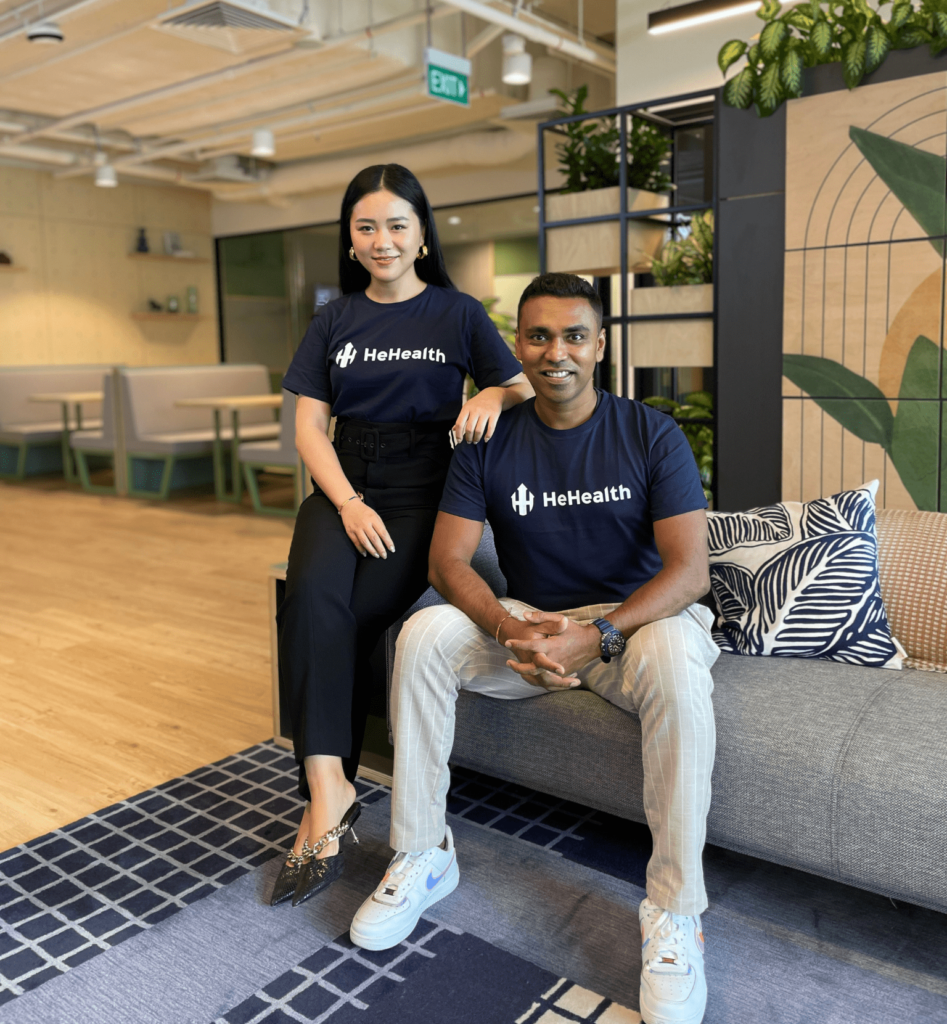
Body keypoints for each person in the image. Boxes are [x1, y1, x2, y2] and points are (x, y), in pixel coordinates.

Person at [350, 272, 720, 1024]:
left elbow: (689, 572)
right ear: (517, 345)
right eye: (538, 336)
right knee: (421, 631)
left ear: (601, 346)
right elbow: (447, 564)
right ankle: (423, 853)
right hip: (530, 627)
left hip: (631, 628)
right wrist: (507, 627)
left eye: (574, 336)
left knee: (680, 662)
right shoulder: (488, 440)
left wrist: (600, 632)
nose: (556, 352)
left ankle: (674, 913)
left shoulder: (650, 433)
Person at [273, 164, 530, 908]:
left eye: (395, 225)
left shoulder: (457, 313)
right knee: (311, 600)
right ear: (349, 242)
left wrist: (487, 389)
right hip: (341, 481)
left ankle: (324, 794)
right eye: (365, 227)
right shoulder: (333, 319)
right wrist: (348, 502)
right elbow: (307, 425)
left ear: (421, 234)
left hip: (424, 486)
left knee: (347, 618)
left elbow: (517, 384)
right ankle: (327, 789)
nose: (381, 240)